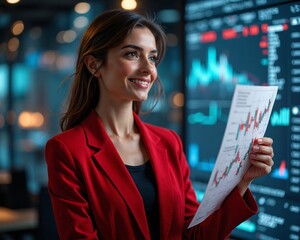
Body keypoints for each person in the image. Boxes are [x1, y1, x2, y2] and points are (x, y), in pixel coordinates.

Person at [45, 9, 274, 240]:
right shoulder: (66, 150)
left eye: (152, 57)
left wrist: (243, 180)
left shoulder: (169, 142)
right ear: (94, 65)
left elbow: (196, 235)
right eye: (132, 54)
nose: (148, 69)